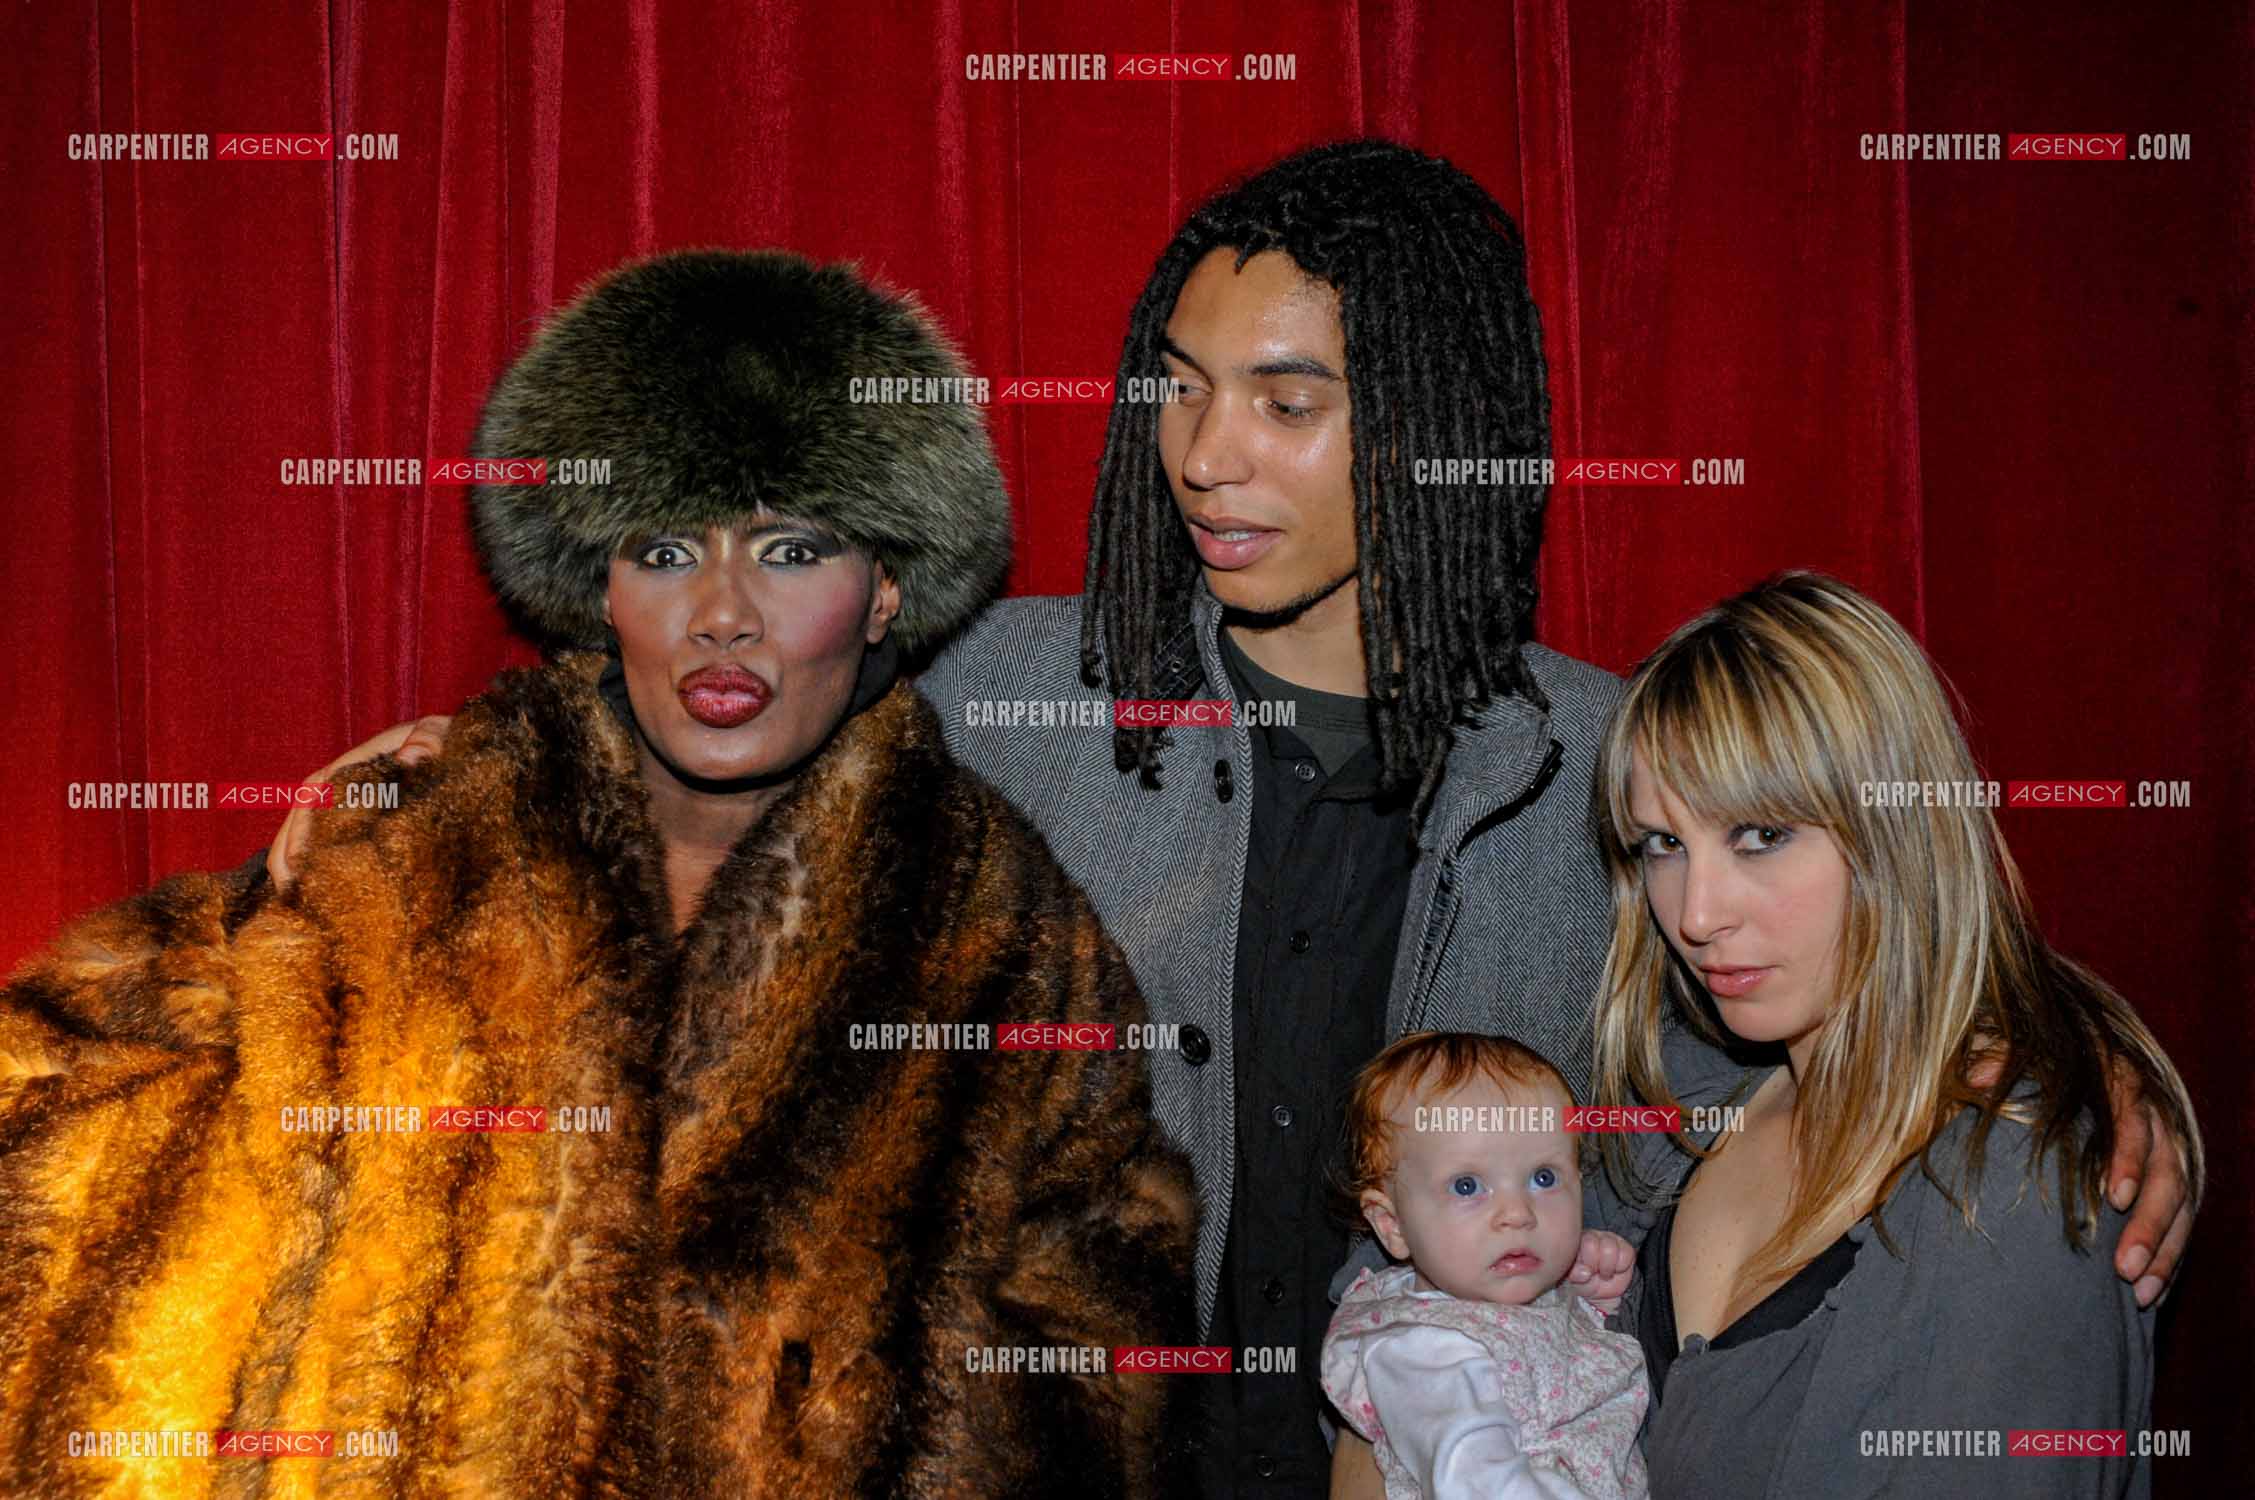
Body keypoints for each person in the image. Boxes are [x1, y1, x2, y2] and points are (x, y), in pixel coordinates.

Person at [262, 141, 2197, 1498]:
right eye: (1180, 388)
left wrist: (2075, 1040)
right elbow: (725, 708)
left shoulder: (1610, 769)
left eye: (1286, 398)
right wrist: (469, 770)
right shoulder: (1023, 688)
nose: (1202, 453)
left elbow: (1847, 951)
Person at [0, 250, 1199, 1497]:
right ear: (598, 585)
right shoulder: (414, 850)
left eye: (790, 552)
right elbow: (56, 1092)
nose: (721, 612)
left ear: (886, 589)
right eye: (667, 548)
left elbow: (1106, 1298)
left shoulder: (999, 937)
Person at [1587, 572, 2202, 1497]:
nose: (1695, 913)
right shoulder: (1682, 1088)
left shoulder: (2012, 1191)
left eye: (1759, 834)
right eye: (1662, 845)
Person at [1321, 1032, 1647, 1500]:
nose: (1518, 1213)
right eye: (1468, 1187)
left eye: (1543, 1177)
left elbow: (1547, 1362)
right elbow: (1477, 1481)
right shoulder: (1423, 1352)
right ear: (1392, 1226)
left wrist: (1584, 1300)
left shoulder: (1489, 1295)